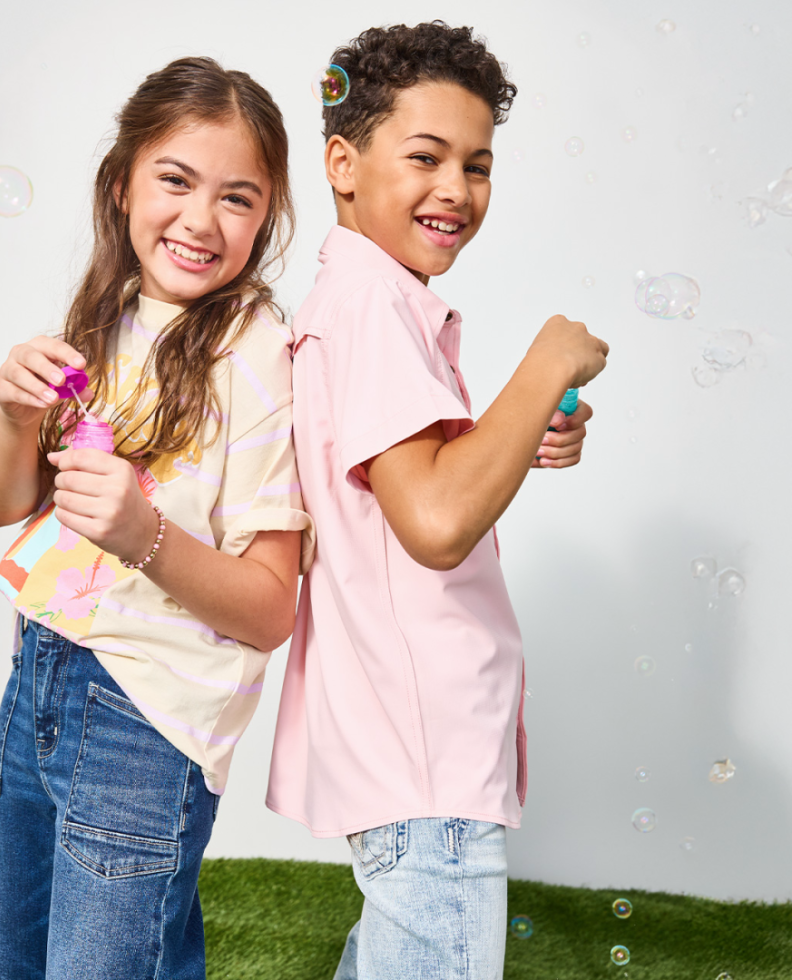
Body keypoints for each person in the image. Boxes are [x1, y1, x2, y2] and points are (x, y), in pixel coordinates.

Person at [266, 22, 609, 980]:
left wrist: (511, 437)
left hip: (400, 745)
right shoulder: (374, 307)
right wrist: (544, 366)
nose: (456, 187)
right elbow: (436, 522)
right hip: (423, 752)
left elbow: (414, 492)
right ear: (342, 163)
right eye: (425, 157)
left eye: (477, 164)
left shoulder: (368, 301)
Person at [0, 56, 311, 980]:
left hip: (145, 723)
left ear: (267, 216)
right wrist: (12, 416)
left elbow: (271, 608)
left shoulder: (256, 355)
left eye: (237, 198)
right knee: (20, 963)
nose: (202, 219)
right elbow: (5, 504)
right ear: (122, 182)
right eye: (175, 180)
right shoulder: (106, 316)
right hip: (37, 680)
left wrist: (145, 537)